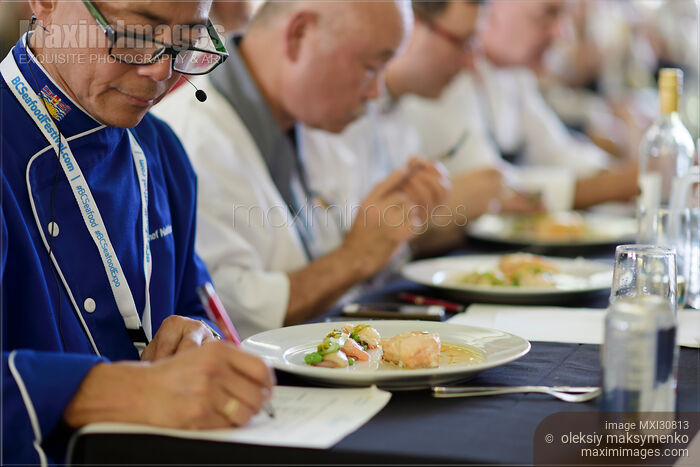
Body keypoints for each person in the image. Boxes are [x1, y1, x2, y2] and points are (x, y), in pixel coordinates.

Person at [1, 1, 274, 464]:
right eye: (134, 36)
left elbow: (195, 304)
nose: (161, 71)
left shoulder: (161, 150)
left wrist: (197, 338)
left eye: (186, 40)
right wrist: (111, 390)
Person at [154, 1, 450, 338]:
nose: (375, 92)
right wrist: (356, 257)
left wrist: (394, 218)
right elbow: (226, 315)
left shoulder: (311, 116)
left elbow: (342, 239)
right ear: (298, 35)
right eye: (371, 68)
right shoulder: (190, 139)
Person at [301, 0, 539, 255]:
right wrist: (438, 212)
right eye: (462, 43)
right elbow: (330, 246)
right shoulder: (333, 106)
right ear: (409, 25)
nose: (471, 63)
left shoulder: (402, 106)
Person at [401, 0, 638, 211]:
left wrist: (624, 175)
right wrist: (627, 183)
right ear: (493, 9)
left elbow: (557, 152)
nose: (562, 34)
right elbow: (492, 189)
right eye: (547, 14)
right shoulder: (441, 74)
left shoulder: (513, 75)